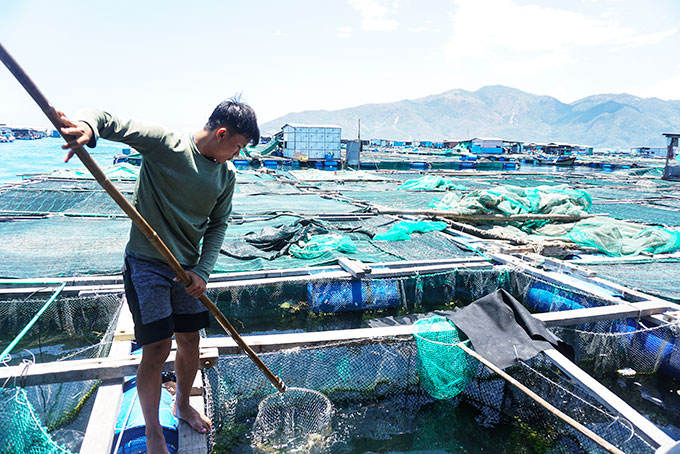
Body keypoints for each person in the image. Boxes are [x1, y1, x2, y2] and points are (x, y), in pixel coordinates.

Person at [59, 100, 259, 454]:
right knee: (156, 347)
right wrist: (87, 129)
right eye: (237, 147)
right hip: (147, 263)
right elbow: (111, 121)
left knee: (190, 340)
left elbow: (218, 225)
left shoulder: (226, 176)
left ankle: (182, 405)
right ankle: (153, 431)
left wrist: (202, 271)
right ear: (222, 133)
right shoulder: (166, 144)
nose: (236, 154)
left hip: (186, 269)